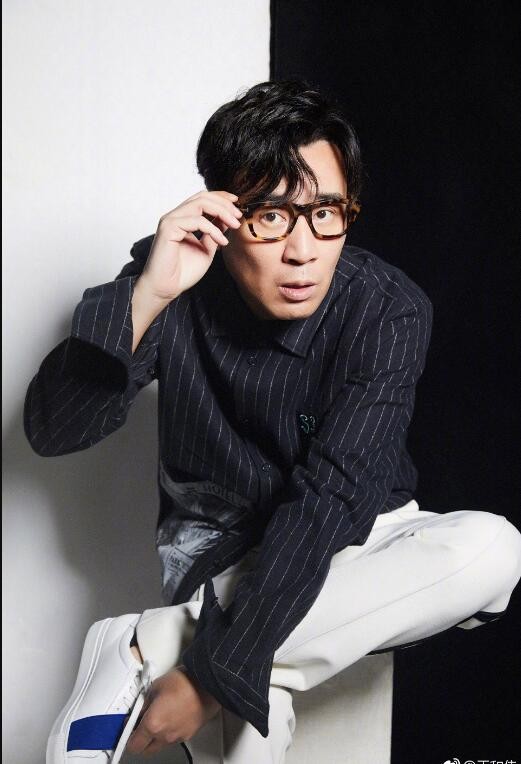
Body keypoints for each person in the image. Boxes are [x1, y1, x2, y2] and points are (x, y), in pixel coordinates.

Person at [24, 79, 521, 764]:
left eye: (326, 214)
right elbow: (54, 431)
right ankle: (205, 648)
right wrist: (148, 295)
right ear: (223, 214)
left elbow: (333, 497)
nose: (302, 250)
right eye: (270, 217)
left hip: (361, 534)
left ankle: (151, 643)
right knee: (249, 746)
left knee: (492, 549)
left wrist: (204, 674)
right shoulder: (175, 272)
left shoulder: (385, 306)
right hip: (220, 551)